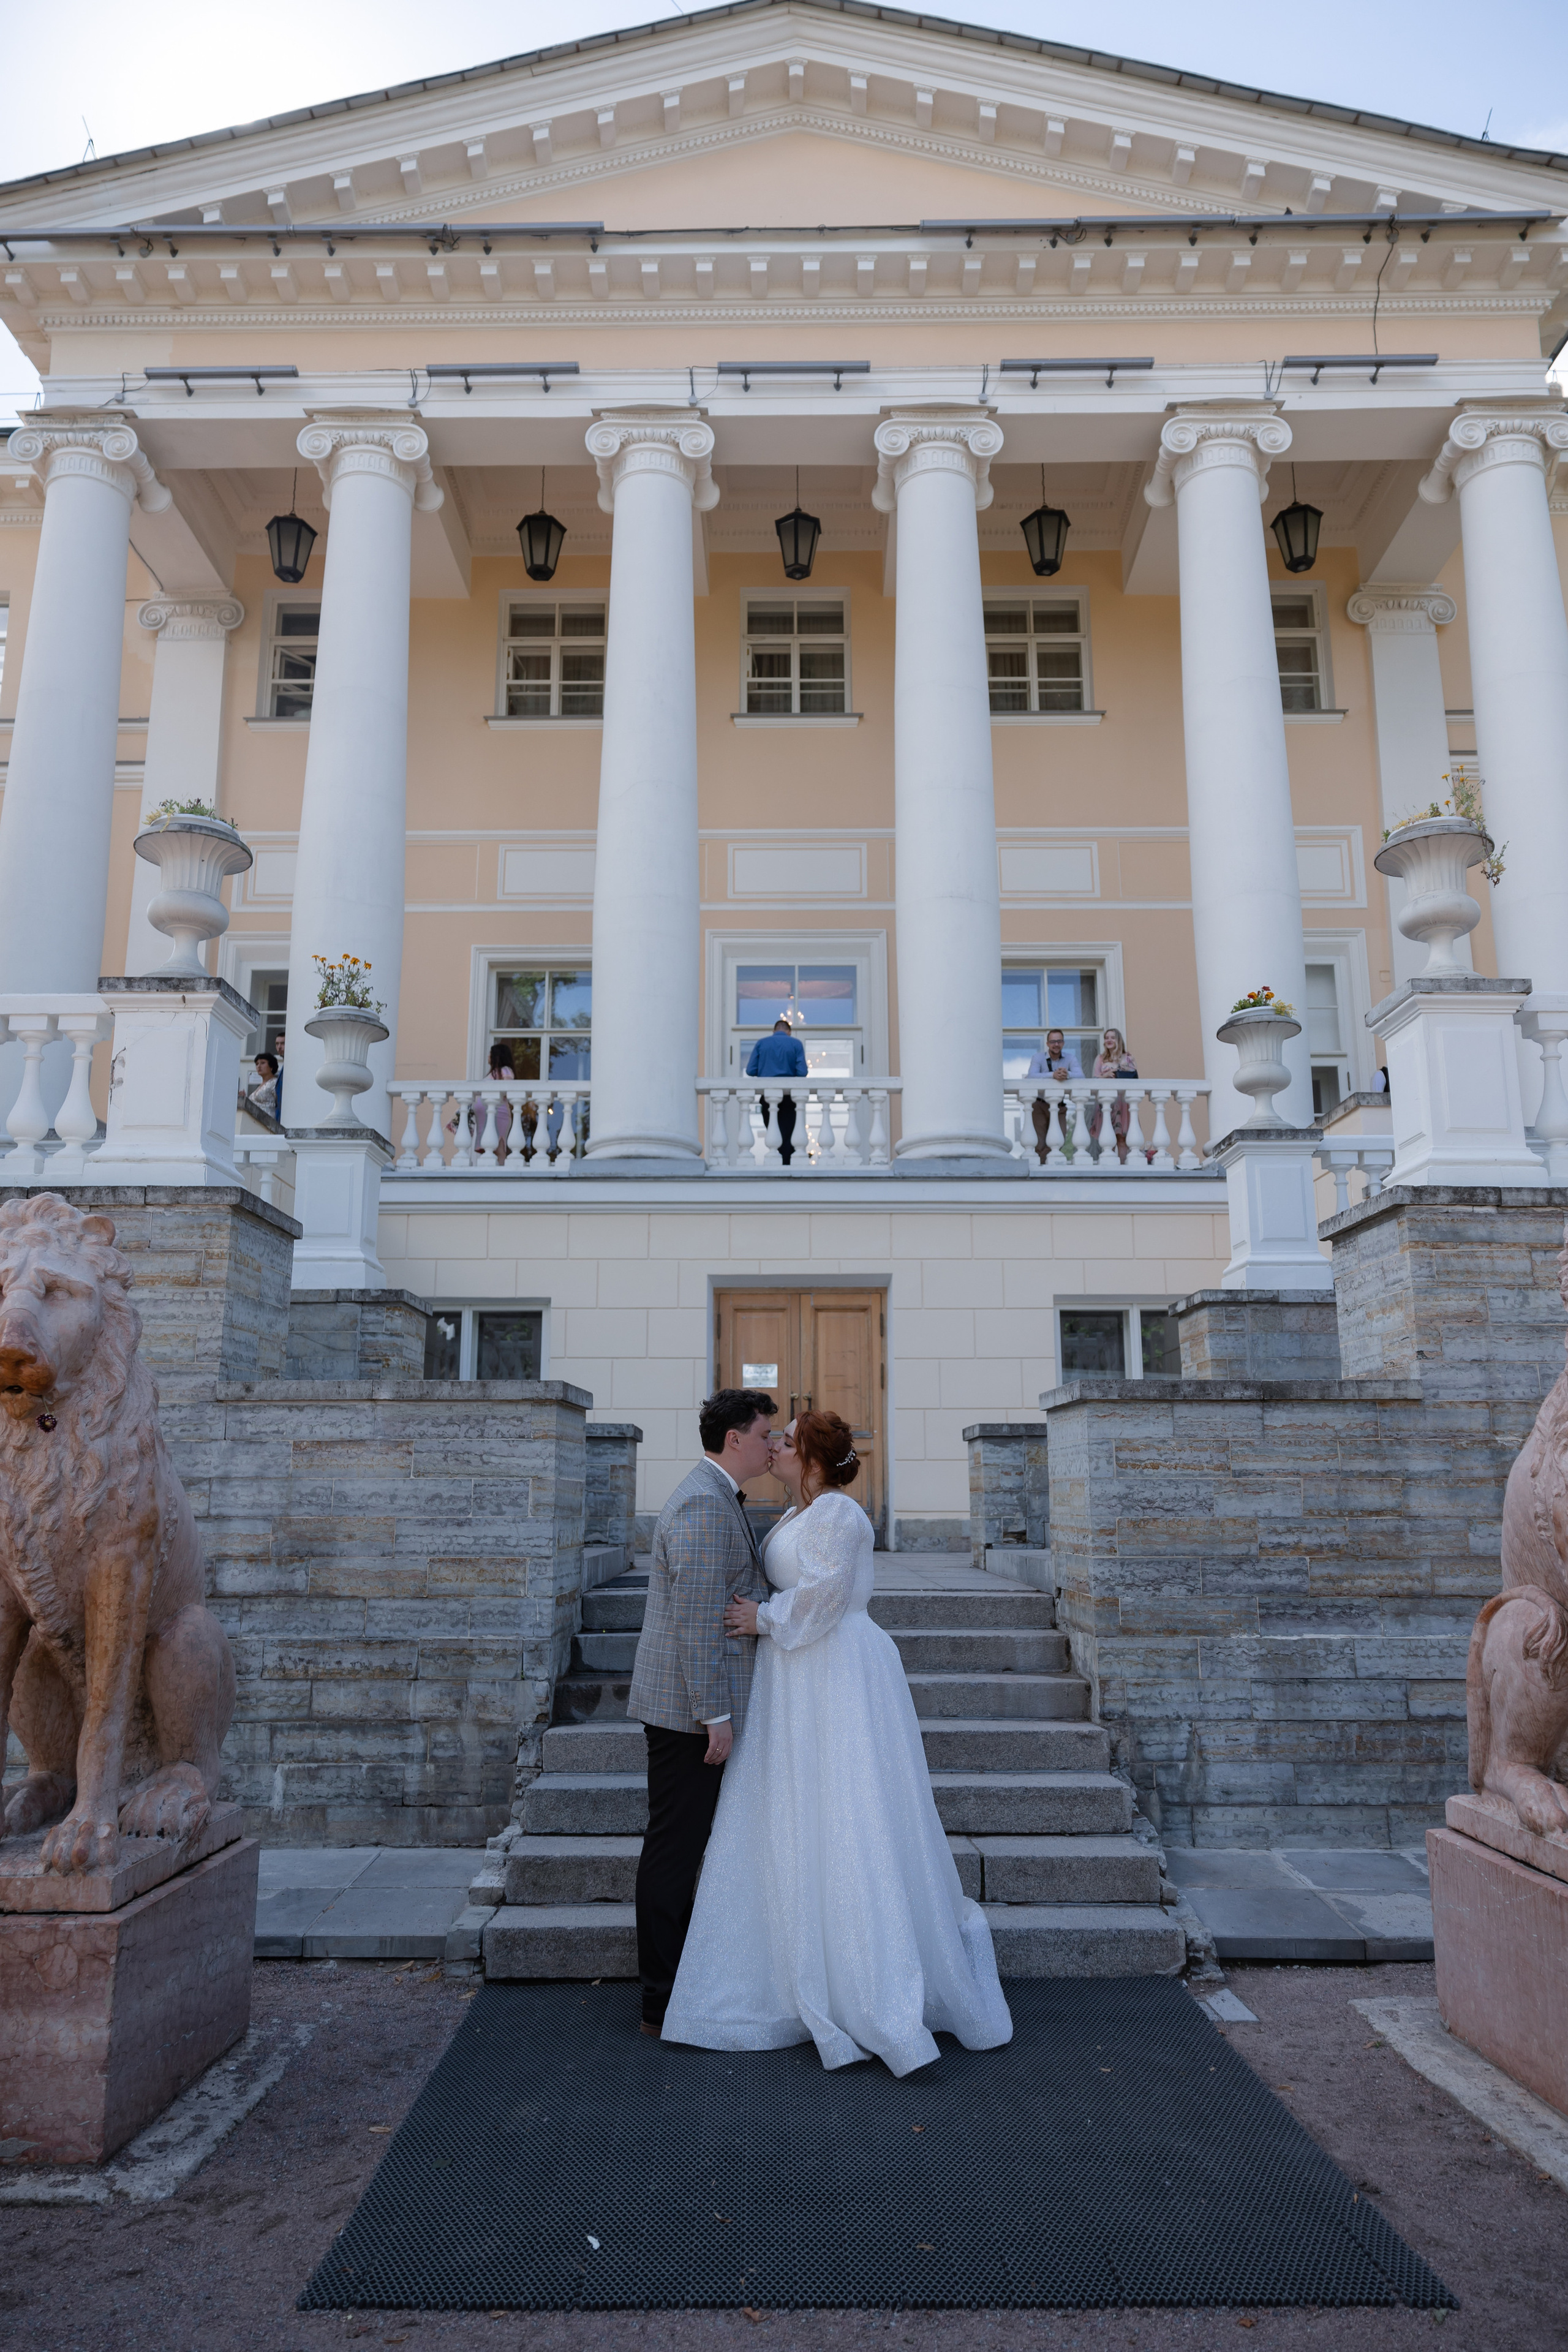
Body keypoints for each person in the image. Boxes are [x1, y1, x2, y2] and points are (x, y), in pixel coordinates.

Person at [661, 1408, 1014, 2077]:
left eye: (786, 1443)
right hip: (797, 1678)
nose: (776, 1450)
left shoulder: (839, 1516)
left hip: (838, 1671)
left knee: (851, 1806)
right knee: (798, 1808)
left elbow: (823, 1598)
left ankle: (868, 1980)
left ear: (814, 1458)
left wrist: (761, 1617)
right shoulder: (798, 1515)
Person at [625, 1387, 777, 2038]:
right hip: (686, 1712)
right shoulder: (700, 1503)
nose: (773, 1445)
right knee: (674, 1848)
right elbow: (694, 1621)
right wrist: (713, 1713)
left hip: (692, 1706)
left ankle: (680, 1984)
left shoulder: (716, 1497)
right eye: (766, 1434)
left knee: (682, 1845)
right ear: (735, 1439)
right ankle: (660, 2000)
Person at [745, 1017, 809, 1165]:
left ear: (774, 1031)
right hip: (789, 1098)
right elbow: (802, 1072)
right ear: (789, 1032)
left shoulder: (762, 1043)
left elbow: (750, 1070)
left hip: (768, 1096)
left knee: (773, 1130)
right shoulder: (796, 1044)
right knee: (788, 1133)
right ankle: (787, 1164)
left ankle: (776, 1161)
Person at [1023, 1026, 1082, 1163]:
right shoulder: (1038, 1058)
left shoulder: (1070, 1058)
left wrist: (1067, 1074)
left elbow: (1081, 1076)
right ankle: (1041, 1171)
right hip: (1040, 1104)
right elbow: (1031, 1076)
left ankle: (1044, 1164)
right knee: (1039, 1142)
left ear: (1063, 1043)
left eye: (1059, 1041)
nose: (1056, 1045)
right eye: (1053, 1042)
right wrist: (1053, 1075)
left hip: (1059, 1107)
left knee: (1059, 1140)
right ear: (1047, 1044)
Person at [1090, 1027, 1139, 1164]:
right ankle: (1110, 1167)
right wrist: (1104, 1076)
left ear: (1118, 1040)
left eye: (1112, 1037)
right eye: (1107, 1038)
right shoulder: (1101, 1059)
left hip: (1123, 1102)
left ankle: (1123, 1166)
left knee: (1122, 1138)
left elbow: (1135, 1078)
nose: (1109, 1040)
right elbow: (1093, 1080)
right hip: (1107, 1103)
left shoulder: (1128, 1057)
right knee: (1108, 1138)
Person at [244, 1052, 281, 1122]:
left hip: (269, 1123)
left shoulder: (275, 1083)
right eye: (257, 1064)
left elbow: (281, 1103)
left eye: (263, 1063)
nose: (259, 1066)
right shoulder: (259, 1087)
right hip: (255, 1123)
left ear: (271, 1066)